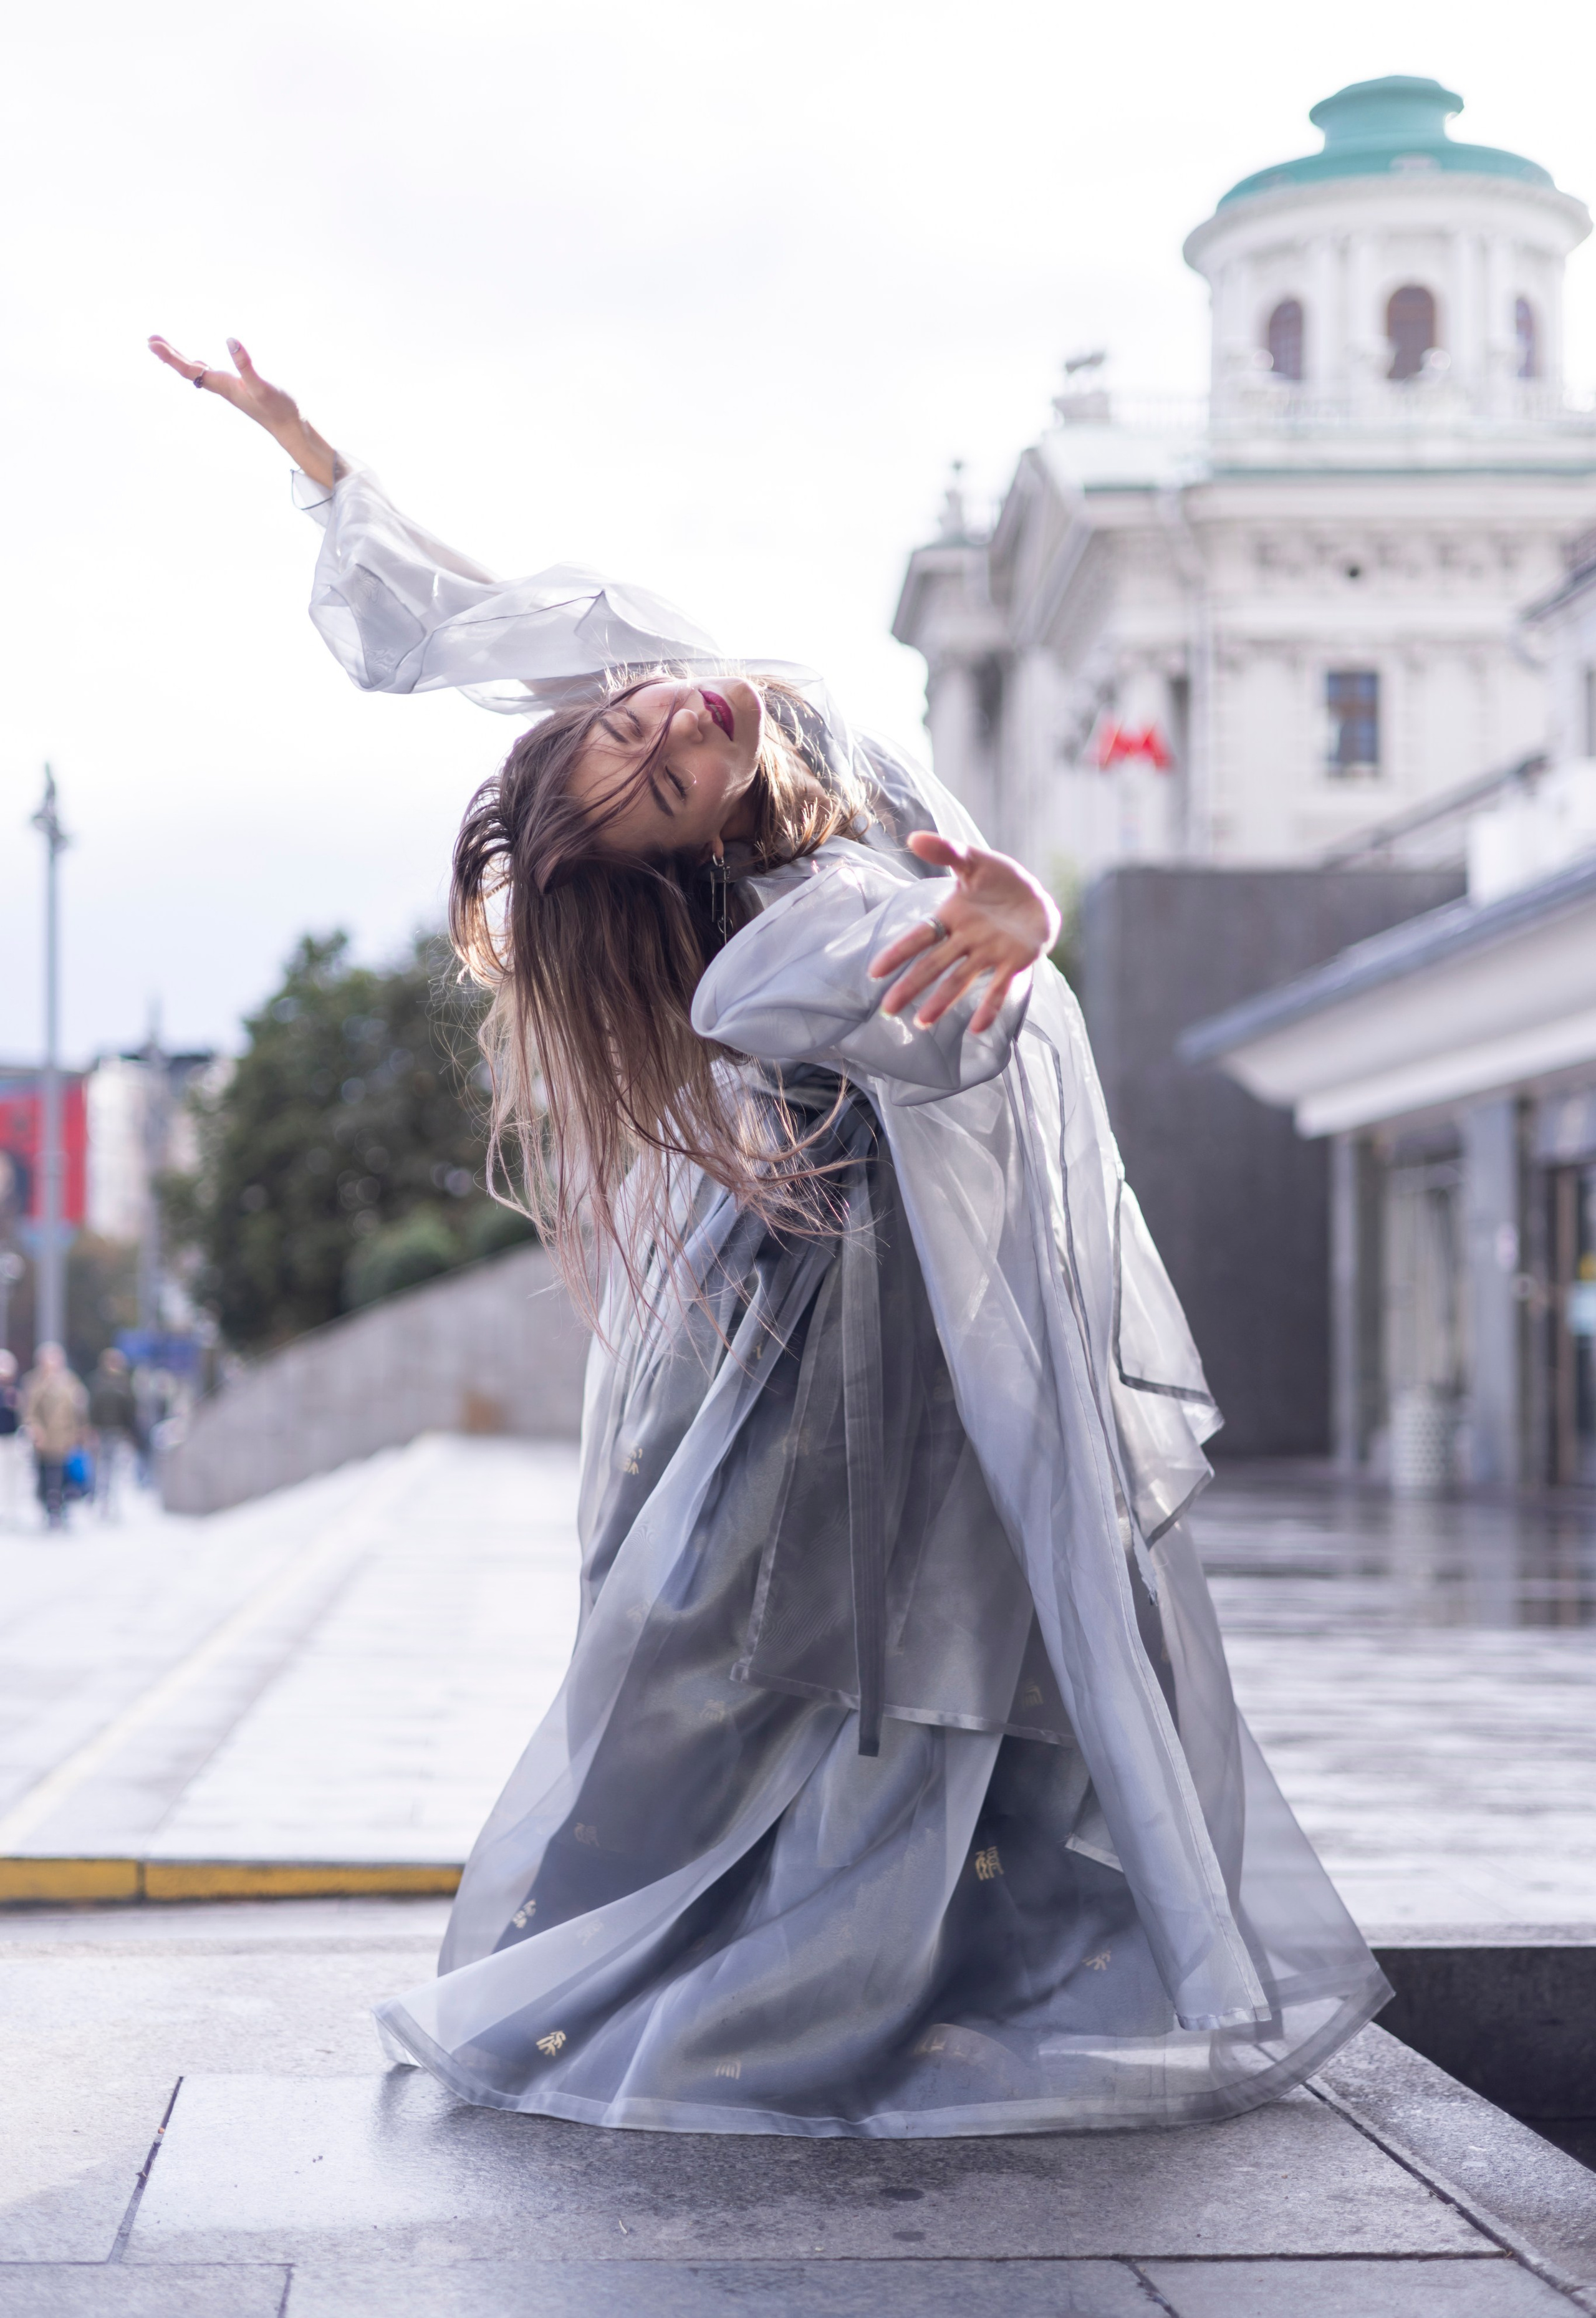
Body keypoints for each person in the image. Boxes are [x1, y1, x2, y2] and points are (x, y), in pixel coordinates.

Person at [151, 334, 1389, 2138]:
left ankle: (968, 1957)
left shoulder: (685, 682)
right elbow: (937, 1011)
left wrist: (306, 448)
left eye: (642, 725)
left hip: (938, 1281)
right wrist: (1014, 924)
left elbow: (460, 624)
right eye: (654, 776)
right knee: (824, 1652)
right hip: (857, 1319)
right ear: (680, 854)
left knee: (982, 1648)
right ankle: (761, 1974)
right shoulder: (775, 934)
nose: (674, 729)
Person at [21, 1342, 89, 1532]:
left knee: (62, 1475)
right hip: (43, 1440)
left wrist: (80, 1432)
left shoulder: (70, 1381)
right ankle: (48, 1507)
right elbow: (29, 1411)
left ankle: (60, 1507)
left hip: (64, 1438)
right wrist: (34, 1429)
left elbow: (78, 1411)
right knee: (44, 1475)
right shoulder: (34, 1382)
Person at [88, 1348, 140, 1516]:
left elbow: (130, 1409)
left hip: (119, 1431)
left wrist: (130, 1431)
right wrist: (91, 1429)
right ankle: (101, 1504)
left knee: (118, 1469)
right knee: (101, 1469)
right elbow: (91, 1407)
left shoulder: (124, 1383)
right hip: (101, 1430)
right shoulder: (97, 1381)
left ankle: (116, 1504)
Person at [0, 1351, 26, 1527]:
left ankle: (13, 1509)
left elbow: (24, 1413)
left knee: (14, 1476)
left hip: (13, 1437)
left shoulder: (17, 1389)